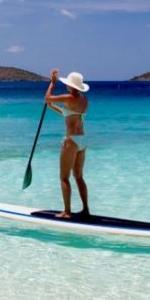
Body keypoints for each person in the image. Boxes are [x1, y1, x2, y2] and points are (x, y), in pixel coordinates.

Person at [44, 69, 90, 219]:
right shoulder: (83, 100)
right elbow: (70, 113)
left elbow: (47, 98)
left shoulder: (69, 97)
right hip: (82, 140)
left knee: (64, 177)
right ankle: (85, 210)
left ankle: (67, 212)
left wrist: (52, 83)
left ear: (71, 86)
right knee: (79, 177)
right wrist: (53, 107)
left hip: (71, 140)